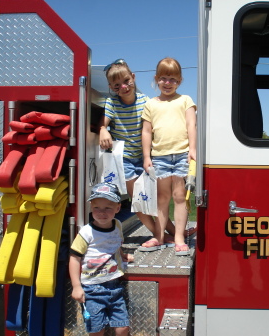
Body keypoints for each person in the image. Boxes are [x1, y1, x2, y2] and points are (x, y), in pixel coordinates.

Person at [99, 59, 194, 250]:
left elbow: (166, 123)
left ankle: (175, 234)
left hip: (150, 157)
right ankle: (160, 235)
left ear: (133, 78)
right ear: (111, 87)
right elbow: (107, 123)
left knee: (166, 197)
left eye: (126, 81)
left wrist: (190, 147)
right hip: (128, 159)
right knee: (140, 201)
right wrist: (102, 129)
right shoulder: (117, 103)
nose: (123, 87)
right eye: (117, 85)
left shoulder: (146, 101)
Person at [142, 57, 197, 256]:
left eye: (173, 79)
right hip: (160, 157)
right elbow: (147, 132)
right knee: (162, 199)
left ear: (180, 81)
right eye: (164, 78)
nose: (168, 83)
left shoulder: (185, 100)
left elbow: (192, 125)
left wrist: (193, 149)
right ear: (157, 79)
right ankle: (159, 236)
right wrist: (147, 156)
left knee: (179, 197)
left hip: (182, 154)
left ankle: (180, 237)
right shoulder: (150, 104)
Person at [69, 182, 133, 336]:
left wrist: (122, 255)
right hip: (92, 289)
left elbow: (116, 242)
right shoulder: (86, 233)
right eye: (97, 207)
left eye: (108, 208)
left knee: (123, 327)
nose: (101, 212)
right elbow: (74, 258)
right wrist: (76, 286)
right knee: (97, 330)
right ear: (91, 207)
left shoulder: (117, 225)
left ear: (118, 208)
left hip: (115, 286)